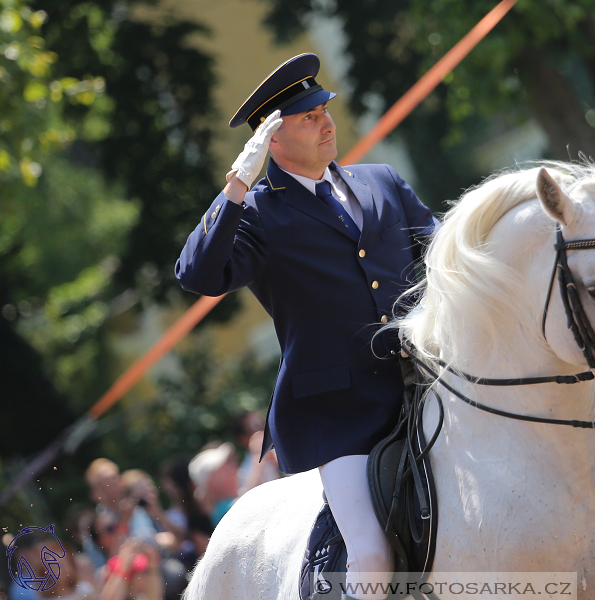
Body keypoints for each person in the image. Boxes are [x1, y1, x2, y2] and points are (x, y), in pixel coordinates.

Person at [175, 53, 437, 599]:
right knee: (370, 552)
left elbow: (447, 257)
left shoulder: (381, 181)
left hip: (423, 387)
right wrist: (235, 187)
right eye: (308, 117)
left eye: (324, 109)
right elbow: (198, 274)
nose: (326, 122)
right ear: (272, 140)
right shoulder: (259, 213)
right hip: (336, 418)